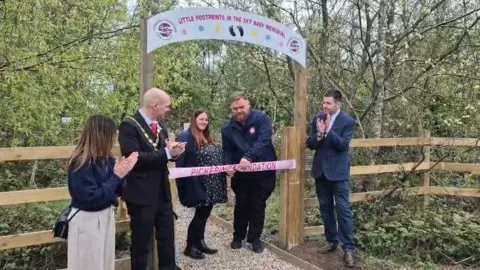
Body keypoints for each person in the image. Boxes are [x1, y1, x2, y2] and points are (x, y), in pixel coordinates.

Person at [118, 88, 185, 270]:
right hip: (141, 194)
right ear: (154, 104)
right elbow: (134, 157)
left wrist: (174, 153)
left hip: (162, 192)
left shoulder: (160, 126)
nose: (169, 109)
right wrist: (165, 153)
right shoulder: (129, 125)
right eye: (167, 105)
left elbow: (163, 154)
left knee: (167, 236)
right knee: (141, 242)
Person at [67, 114, 138, 270]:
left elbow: (116, 190)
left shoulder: (107, 158)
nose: (114, 139)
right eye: (113, 135)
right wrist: (116, 176)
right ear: (102, 135)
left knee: (105, 264)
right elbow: (90, 197)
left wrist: (125, 172)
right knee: (88, 264)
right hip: (88, 219)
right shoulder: (81, 162)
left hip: (105, 215)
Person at [221, 91, 277, 253]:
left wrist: (248, 157)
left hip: (263, 173)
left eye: (242, 107)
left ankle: (255, 239)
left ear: (248, 104)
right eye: (235, 108)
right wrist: (228, 165)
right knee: (241, 205)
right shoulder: (227, 129)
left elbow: (263, 141)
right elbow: (227, 150)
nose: (239, 111)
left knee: (258, 206)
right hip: (241, 176)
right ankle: (238, 236)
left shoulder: (262, 120)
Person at [307, 88, 356, 267]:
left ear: (338, 104)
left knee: (343, 210)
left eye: (328, 103)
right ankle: (332, 241)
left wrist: (328, 132)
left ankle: (349, 248)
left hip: (339, 173)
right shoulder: (317, 118)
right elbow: (311, 144)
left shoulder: (348, 121)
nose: (324, 106)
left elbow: (342, 145)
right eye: (323, 102)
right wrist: (319, 135)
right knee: (325, 208)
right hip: (321, 172)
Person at [175, 109, 228, 259]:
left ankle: (200, 241)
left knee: (204, 214)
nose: (204, 122)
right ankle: (190, 246)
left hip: (212, 184)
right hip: (198, 184)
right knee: (200, 215)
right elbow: (181, 162)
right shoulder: (186, 136)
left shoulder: (206, 135)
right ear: (194, 119)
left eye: (206, 119)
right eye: (201, 119)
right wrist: (184, 186)